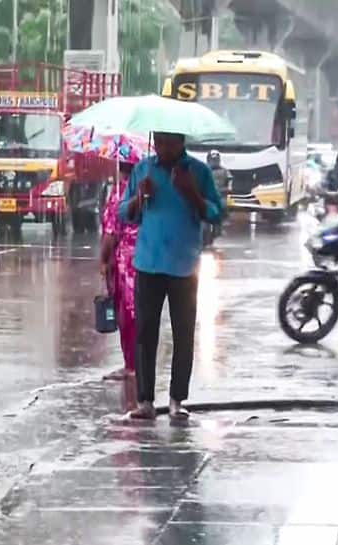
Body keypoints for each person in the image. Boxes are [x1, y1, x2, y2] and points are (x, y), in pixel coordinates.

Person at [118, 132, 224, 421]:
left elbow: (217, 213)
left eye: (169, 142)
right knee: (145, 333)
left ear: (181, 142)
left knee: (183, 332)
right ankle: (145, 401)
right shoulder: (143, 170)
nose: (163, 148)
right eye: (159, 142)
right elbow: (123, 213)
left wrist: (192, 194)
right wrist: (139, 198)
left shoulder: (199, 172)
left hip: (184, 264)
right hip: (148, 263)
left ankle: (177, 399)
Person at [100, 159, 139, 380]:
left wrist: (104, 261)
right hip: (150, 257)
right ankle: (139, 363)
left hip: (126, 261)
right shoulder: (150, 192)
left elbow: (110, 233)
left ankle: (131, 366)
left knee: (126, 313)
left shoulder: (119, 194)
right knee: (142, 313)